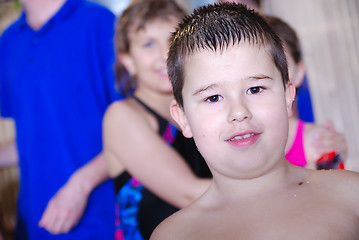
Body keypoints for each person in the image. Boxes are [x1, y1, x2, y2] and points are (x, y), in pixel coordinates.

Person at [150, 3, 359, 239]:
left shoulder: (351, 195)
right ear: (183, 118)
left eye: (255, 89)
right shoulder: (174, 235)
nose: (239, 112)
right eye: (213, 97)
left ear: (288, 96)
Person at [0, 0, 123, 239]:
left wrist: (82, 183)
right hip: (34, 222)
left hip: (99, 221)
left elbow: (144, 127)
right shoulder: (8, 42)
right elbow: (36, 136)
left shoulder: (99, 23)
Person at [102, 0, 211, 239]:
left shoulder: (202, 106)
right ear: (127, 60)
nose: (165, 54)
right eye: (148, 44)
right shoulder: (123, 116)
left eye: (174, 39)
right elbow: (188, 193)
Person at [265, 16, 347, 169]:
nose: (271, 77)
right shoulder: (241, 140)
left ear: (299, 73)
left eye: (282, 65)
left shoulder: (316, 143)